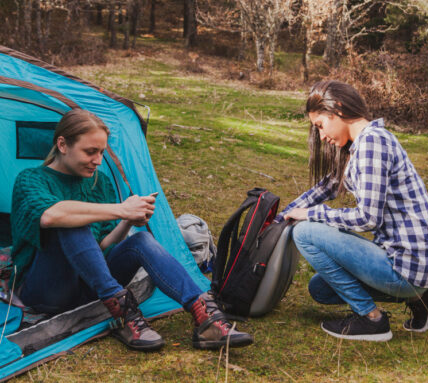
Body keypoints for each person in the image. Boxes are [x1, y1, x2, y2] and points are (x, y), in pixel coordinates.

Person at [9, 109, 253, 351]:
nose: (98, 160)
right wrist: (121, 210)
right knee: (70, 220)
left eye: (102, 152)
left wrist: (129, 221)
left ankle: (205, 316)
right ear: (63, 145)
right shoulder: (30, 179)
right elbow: (51, 216)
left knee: (142, 240)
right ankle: (124, 314)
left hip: (90, 286)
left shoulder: (98, 182)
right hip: (45, 290)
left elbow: (101, 245)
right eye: (90, 151)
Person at [275, 80, 428, 341]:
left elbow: (367, 218)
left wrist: (310, 215)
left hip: (407, 266)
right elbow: (328, 187)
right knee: (321, 289)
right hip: (411, 264)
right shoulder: (360, 145)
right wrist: (283, 216)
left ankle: (372, 320)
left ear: (339, 109)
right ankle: (423, 297)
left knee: (305, 233)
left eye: (321, 126)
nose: (321, 136)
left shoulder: (372, 144)